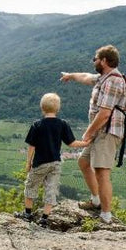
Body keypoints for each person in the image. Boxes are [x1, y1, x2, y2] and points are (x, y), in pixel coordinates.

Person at [59, 44, 126, 224]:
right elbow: (85, 77)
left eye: (95, 58)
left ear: (104, 60)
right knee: (83, 162)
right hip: (100, 132)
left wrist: (88, 131)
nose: (93, 61)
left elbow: (105, 113)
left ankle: (106, 216)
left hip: (106, 133)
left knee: (101, 172)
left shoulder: (114, 81)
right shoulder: (103, 78)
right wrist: (71, 76)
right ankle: (96, 200)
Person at [14, 92, 87, 226]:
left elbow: (31, 146)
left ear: (42, 108)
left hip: (40, 163)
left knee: (31, 186)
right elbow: (71, 143)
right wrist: (86, 143)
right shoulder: (62, 124)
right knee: (51, 190)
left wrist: (28, 163)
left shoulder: (37, 125)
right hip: (55, 163)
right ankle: (44, 219)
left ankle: (27, 214)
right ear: (58, 109)